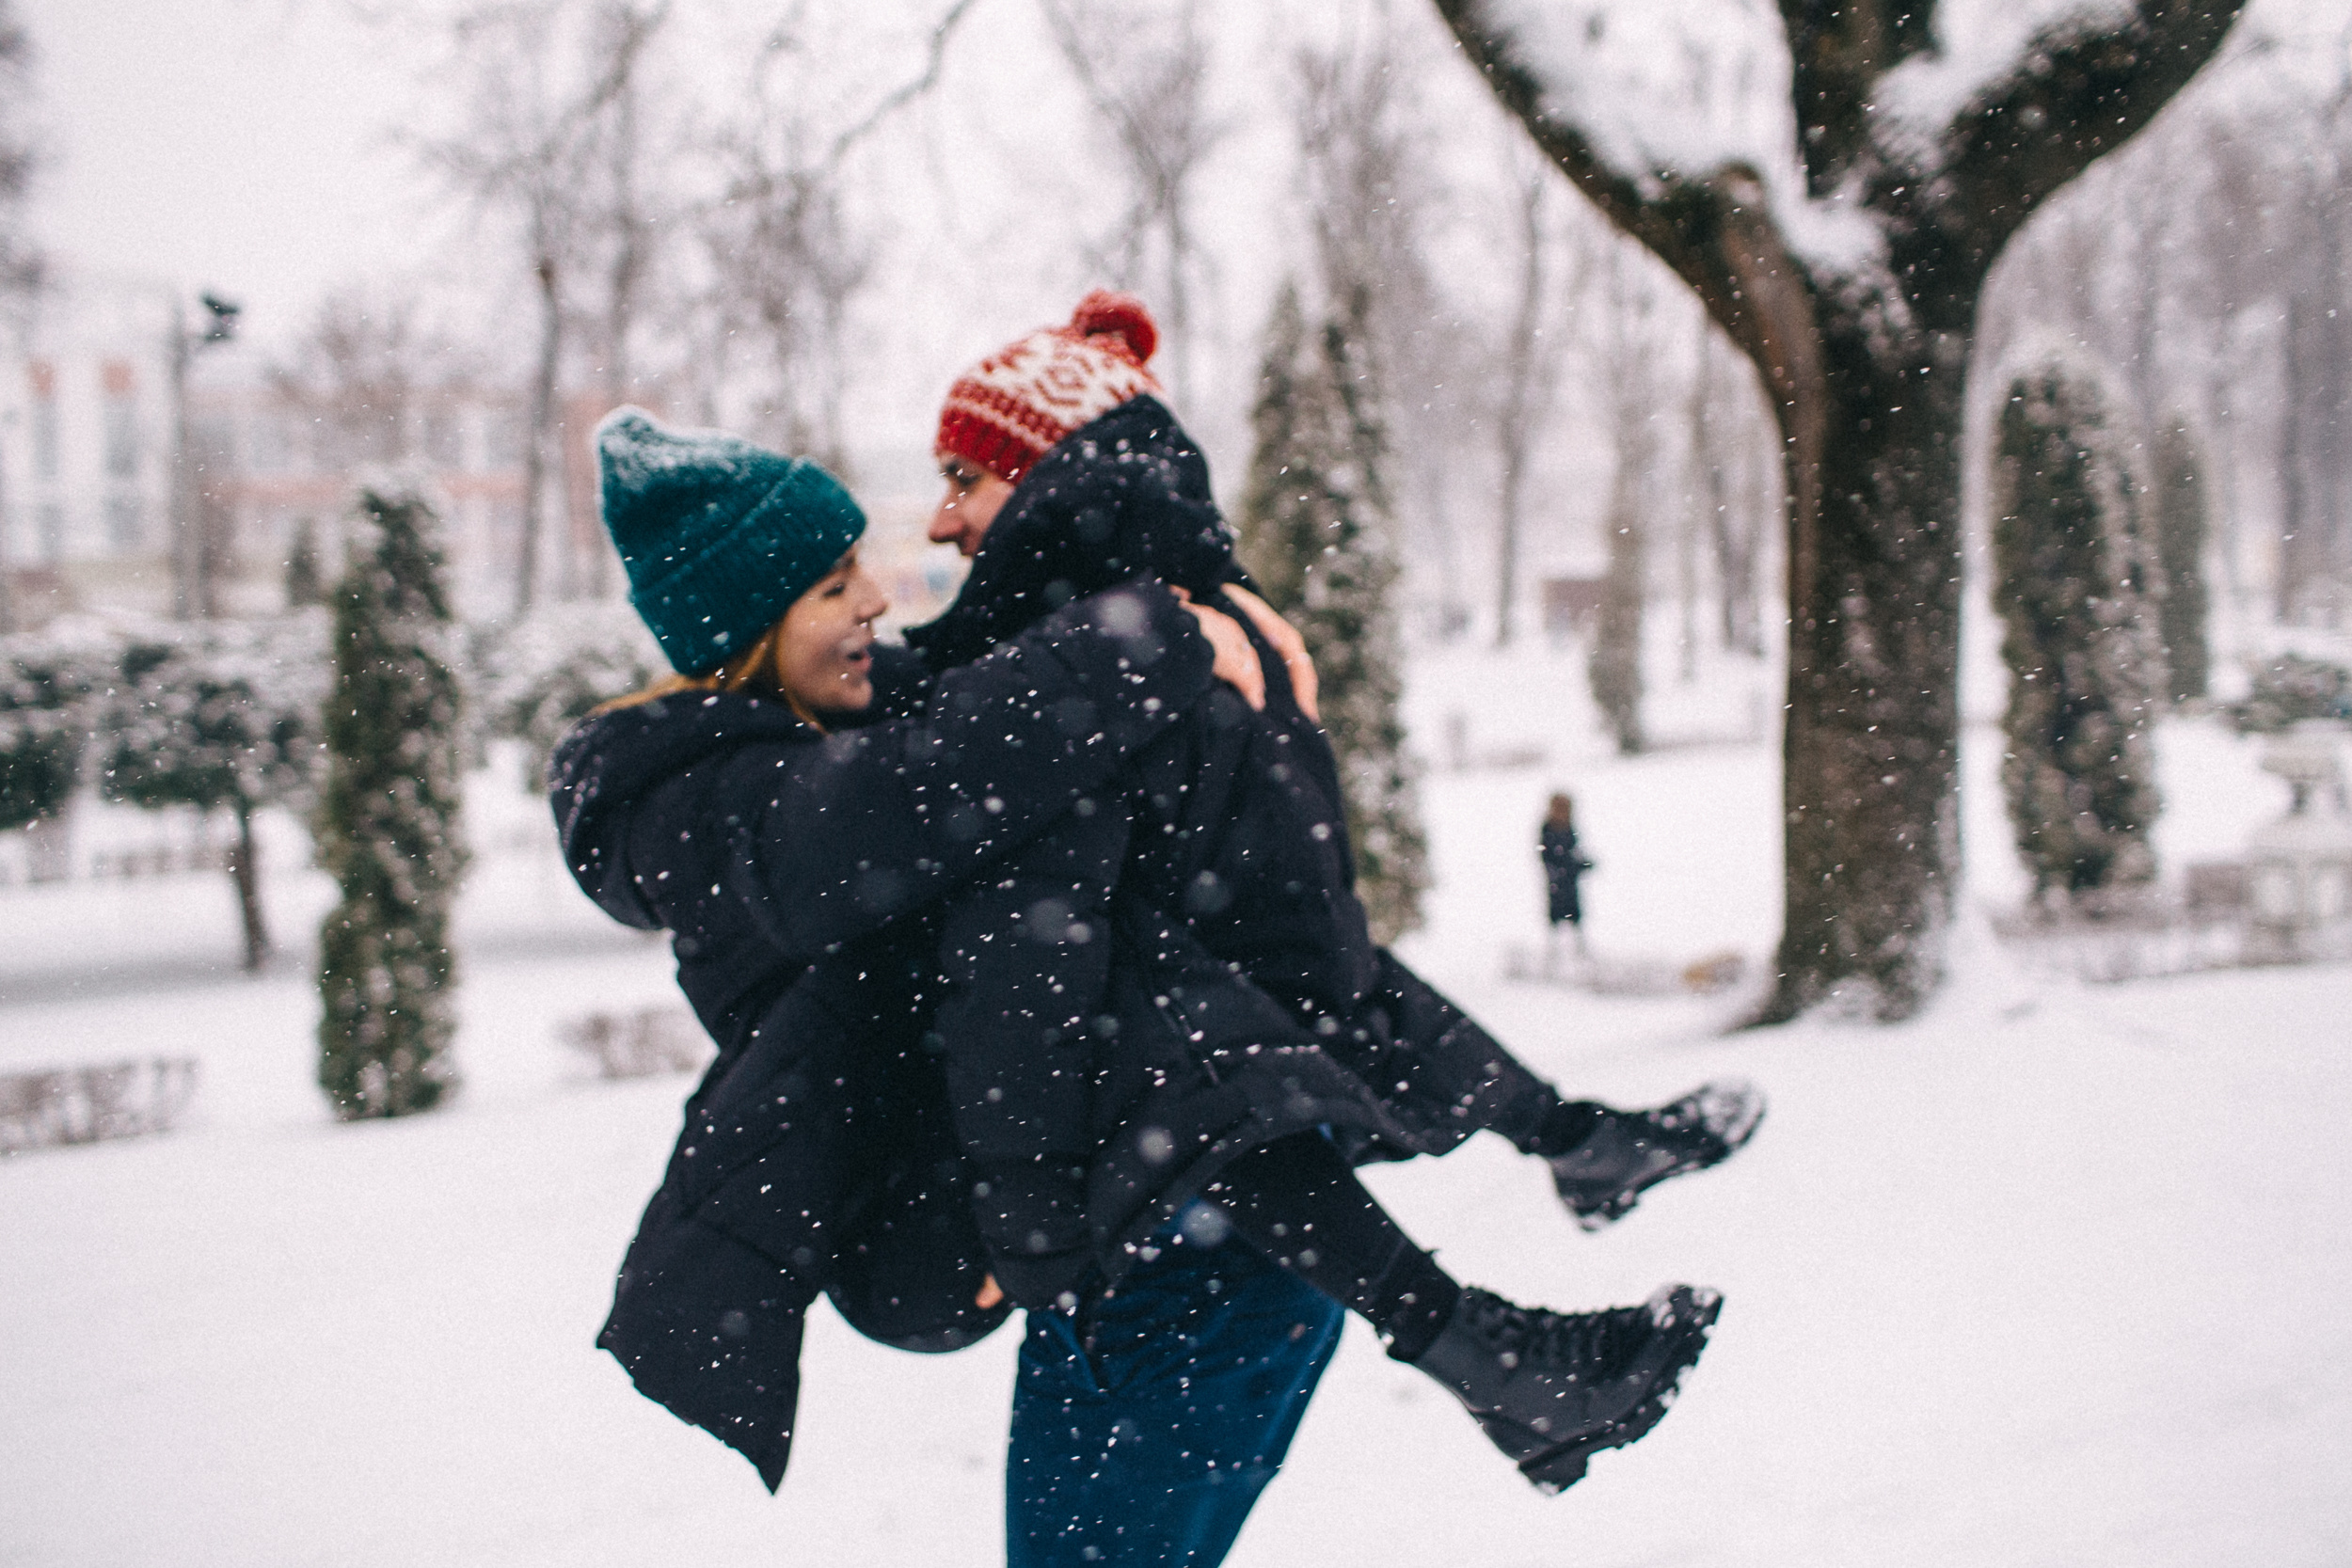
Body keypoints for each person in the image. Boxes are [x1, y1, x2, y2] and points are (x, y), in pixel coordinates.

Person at [895, 293, 1767, 1547]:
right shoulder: (1223, 633)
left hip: (1167, 1252)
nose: (941, 515)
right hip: (1269, 1244)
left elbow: (1073, 986)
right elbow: (1314, 966)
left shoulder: (1090, 668)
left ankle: (1513, 1315)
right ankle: (1526, 1280)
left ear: (1042, 481)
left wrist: (1032, 1234)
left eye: (966, 474)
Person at [1539, 792, 1594, 966]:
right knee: (1556, 916)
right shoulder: (1548, 829)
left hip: (1570, 881)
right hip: (1557, 882)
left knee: (1575, 915)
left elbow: (1574, 851)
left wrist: (1583, 864)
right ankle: (1552, 953)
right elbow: (1548, 856)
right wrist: (1562, 870)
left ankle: (1579, 951)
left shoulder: (1569, 828)